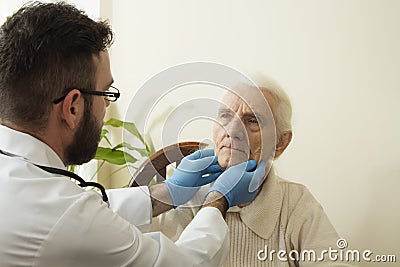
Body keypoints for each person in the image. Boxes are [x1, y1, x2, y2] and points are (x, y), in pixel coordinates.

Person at [0, 2, 266, 266]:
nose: (108, 104)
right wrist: (218, 201)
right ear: (72, 107)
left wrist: (169, 192)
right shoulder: (63, 215)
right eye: (106, 93)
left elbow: (80, 212)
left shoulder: (25, 179)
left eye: (252, 120)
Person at [150, 82, 355, 266]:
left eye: (253, 121)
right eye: (225, 115)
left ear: (280, 143)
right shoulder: (184, 196)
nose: (232, 130)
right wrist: (168, 194)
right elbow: (124, 245)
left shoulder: (296, 203)